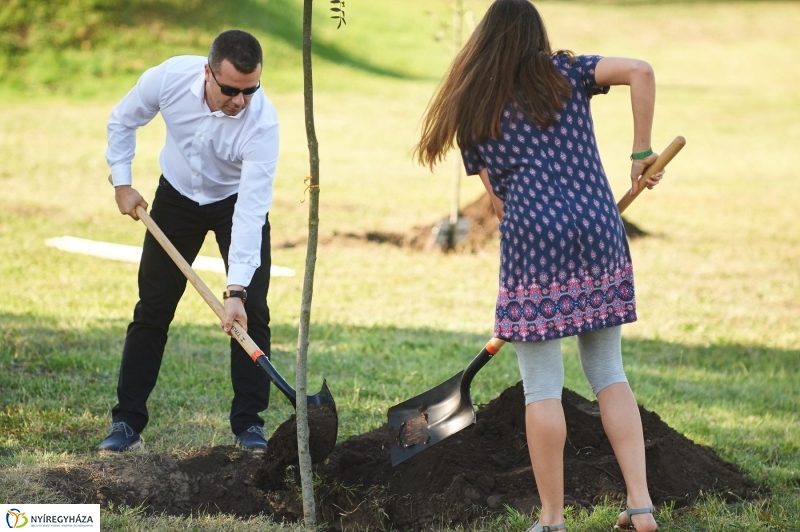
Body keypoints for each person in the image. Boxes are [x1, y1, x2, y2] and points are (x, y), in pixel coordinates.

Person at [415, 1, 663, 531]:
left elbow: (499, 202)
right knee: (608, 373)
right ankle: (640, 504)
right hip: (600, 229)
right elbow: (640, 70)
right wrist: (641, 150)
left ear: (483, 43)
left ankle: (552, 519)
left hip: (533, 243)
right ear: (535, 35)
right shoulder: (566, 72)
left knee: (542, 387)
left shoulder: (472, 107)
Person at [99, 29, 279, 454]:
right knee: (153, 308)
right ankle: (127, 422)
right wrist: (122, 183)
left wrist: (235, 290)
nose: (240, 101)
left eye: (250, 91)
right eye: (231, 90)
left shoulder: (262, 123)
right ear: (207, 73)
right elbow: (123, 119)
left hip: (234, 203)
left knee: (252, 311)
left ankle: (249, 425)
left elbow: (252, 211)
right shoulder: (169, 78)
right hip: (176, 198)